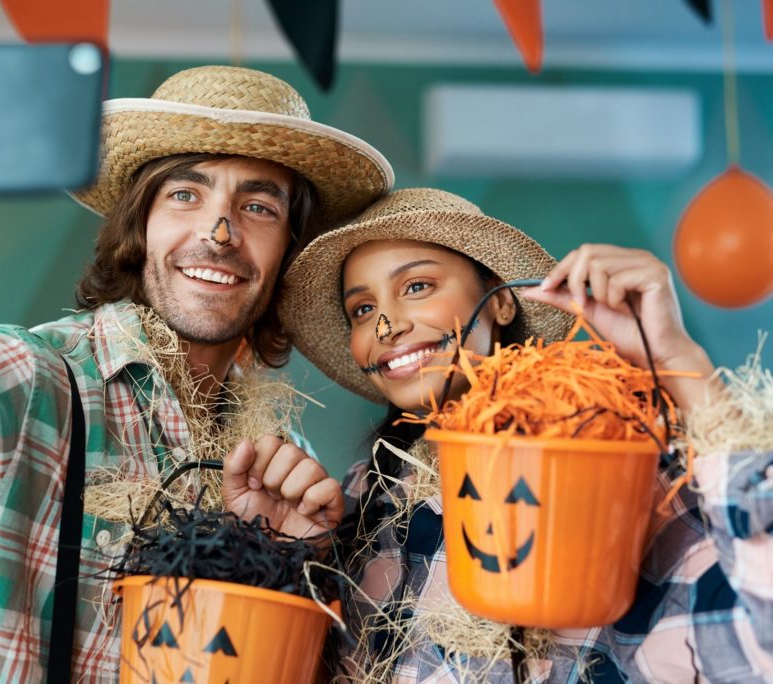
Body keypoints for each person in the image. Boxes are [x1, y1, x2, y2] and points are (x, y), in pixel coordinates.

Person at [0, 18, 393, 682]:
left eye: (259, 207)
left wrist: (287, 566)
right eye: (185, 194)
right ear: (139, 227)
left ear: (288, 250)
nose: (220, 230)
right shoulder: (23, 383)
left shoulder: (286, 464)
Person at [279, 188, 773, 682]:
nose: (385, 325)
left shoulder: (611, 464)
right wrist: (287, 559)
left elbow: (757, 641)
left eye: (417, 286)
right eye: (362, 310)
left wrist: (678, 361)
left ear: (501, 302)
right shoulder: (362, 499)